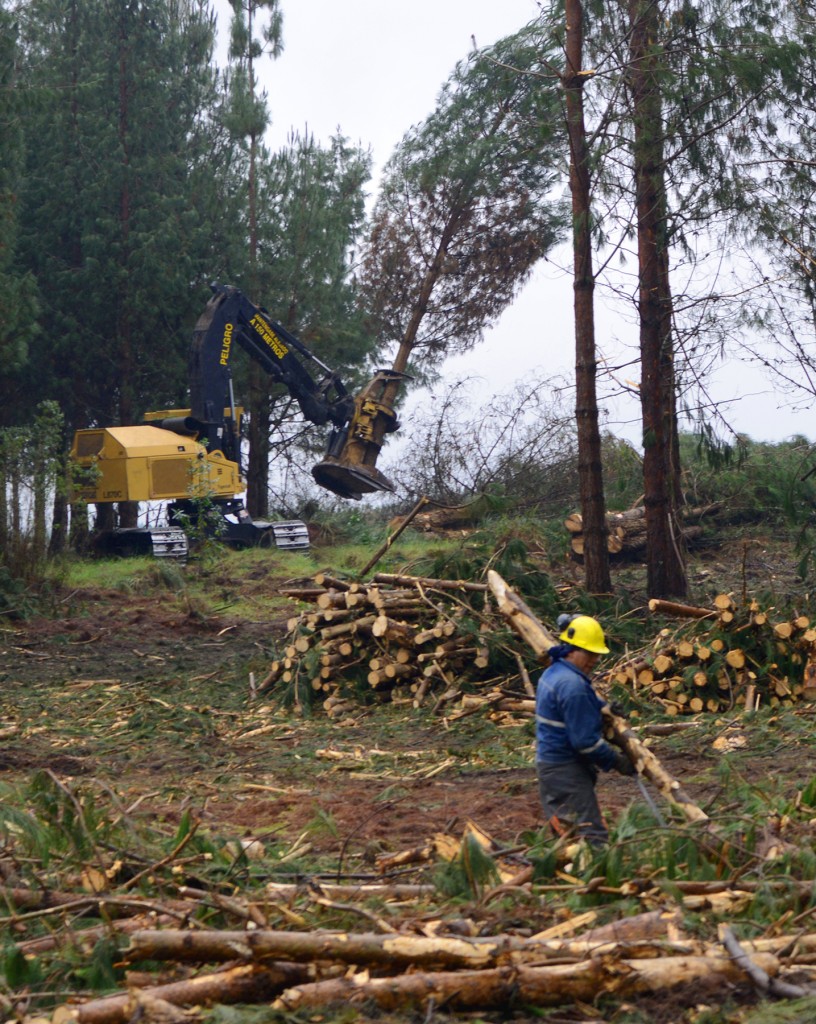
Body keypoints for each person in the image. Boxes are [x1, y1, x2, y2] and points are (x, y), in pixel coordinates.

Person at [535, 614, 635, 846]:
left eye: (596, 654)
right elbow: (585, 742)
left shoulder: (554, 673)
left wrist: (603, 709)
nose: (594, 660)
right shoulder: (573, 685)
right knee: (590, 839)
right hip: (566, 772)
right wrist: (617, 761)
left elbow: (573, 710)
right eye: (589, 653)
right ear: (571, 649)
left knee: (569, 840)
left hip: (552, 768)